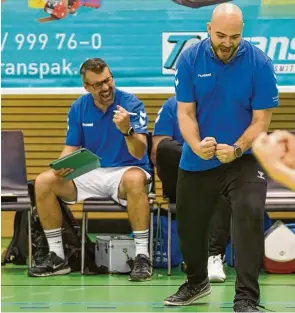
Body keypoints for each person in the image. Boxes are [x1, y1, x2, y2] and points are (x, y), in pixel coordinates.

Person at [164, 3, 279, 312]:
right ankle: (196, 282)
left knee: (249, 214)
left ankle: (246, 298)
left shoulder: (260, 63)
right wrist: (196, 143)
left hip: (243, 158)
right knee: (190, 226)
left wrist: (238, 149)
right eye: (221, 35)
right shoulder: (189, 59)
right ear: (208, 29)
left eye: (235, 36)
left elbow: (261, 121)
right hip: (199, 156)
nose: (227, 43)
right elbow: (185, 114)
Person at [28, 58, 152, 281]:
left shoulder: (131, 104)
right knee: (44, 181)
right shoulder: (79, 107)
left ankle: (142, 256)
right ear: (86, 86)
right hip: (91, 172)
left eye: (108, 80)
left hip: (126, 170)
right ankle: (57, 256)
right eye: (97, 85)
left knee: (135, 179)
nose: (105, 88)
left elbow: (139, 152)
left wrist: (127, 130)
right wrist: (60, 166)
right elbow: (71, 147)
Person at [151, 95, 231, 282]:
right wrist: (196, 153)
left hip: (218, 174)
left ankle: (213, 256)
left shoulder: (224, 103)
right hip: (181, 175)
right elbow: (157, 151)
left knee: (220, 181)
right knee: (166, 148)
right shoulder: (171, 106)